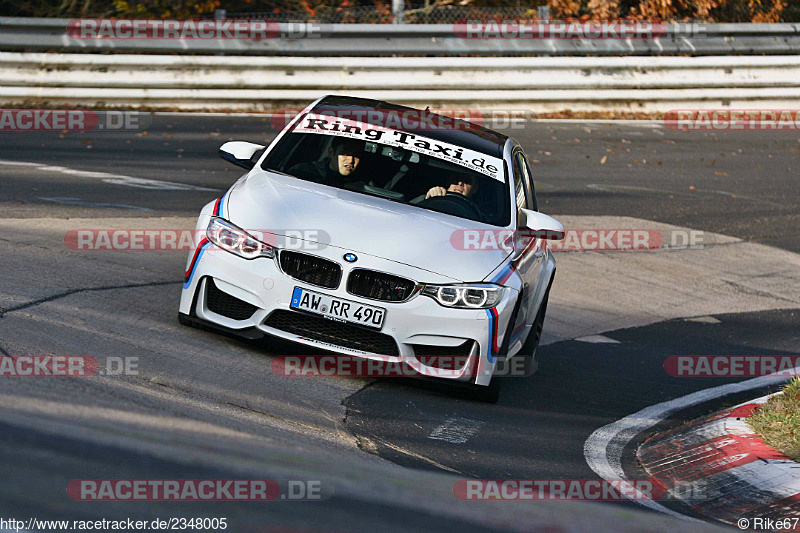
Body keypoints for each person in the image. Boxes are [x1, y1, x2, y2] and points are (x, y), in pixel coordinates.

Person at [288, 138, 363, 186]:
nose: (350, 160)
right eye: (345, 154)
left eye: (356, 155)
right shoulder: (302, 171)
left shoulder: (362, 186)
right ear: (331, 152)